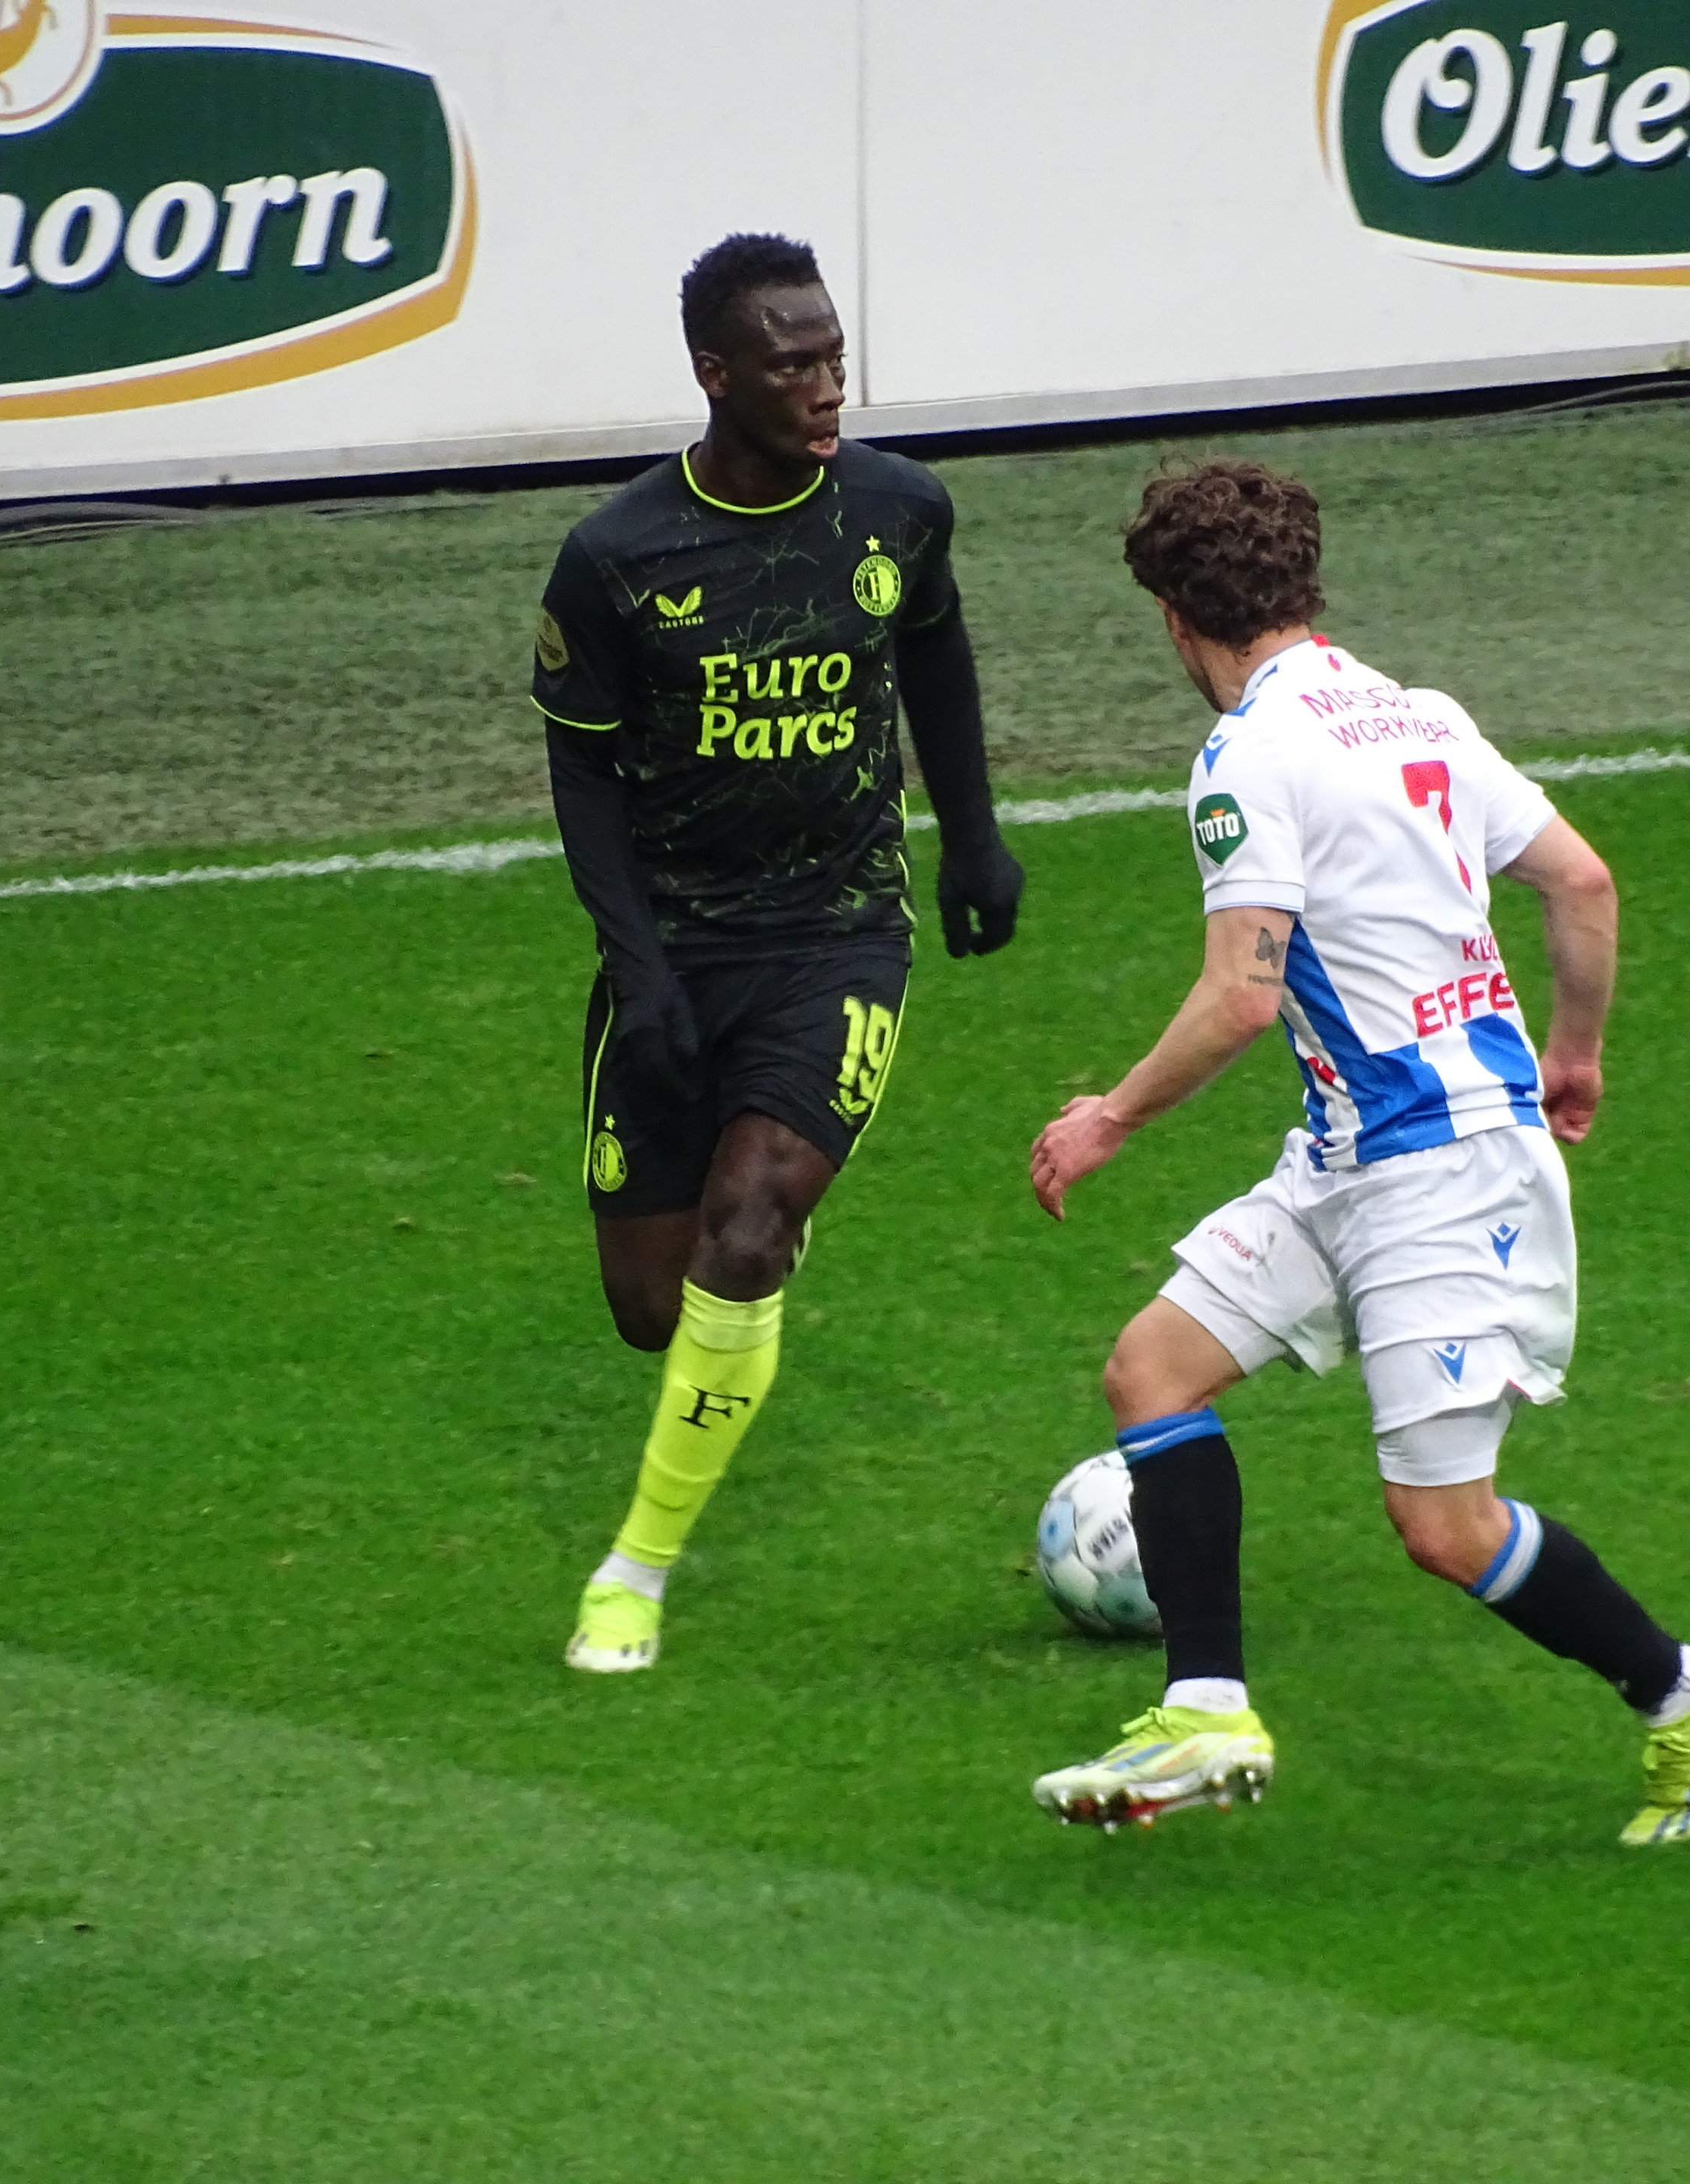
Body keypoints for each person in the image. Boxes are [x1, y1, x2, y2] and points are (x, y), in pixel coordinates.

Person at [1025, 460, 1690, 1845]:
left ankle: (1686, 1693)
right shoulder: (1420, 714)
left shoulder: (1246, 757)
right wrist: (1576, 1052)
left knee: (1445, 1528)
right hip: (1355, 1151)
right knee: (1153, 1369)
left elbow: (1242, 994)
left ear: (1176, 617)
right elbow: (1581, 881)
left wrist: (1109, 1117)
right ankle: (1206, 1711)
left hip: (1443, 1175)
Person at [532, 233, 1025, 1674]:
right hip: (679, 945)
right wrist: (638, 971)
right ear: (717, 373)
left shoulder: (898, 509)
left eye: (834, 357)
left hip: (840, 935)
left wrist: (975, 839)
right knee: (653, 1308)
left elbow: (933, 650)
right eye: (794, 363)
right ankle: (751, 1238)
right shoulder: (617, 558)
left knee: (746, 1231)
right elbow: (582, 776)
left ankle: (634, 1573)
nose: (827, 386)